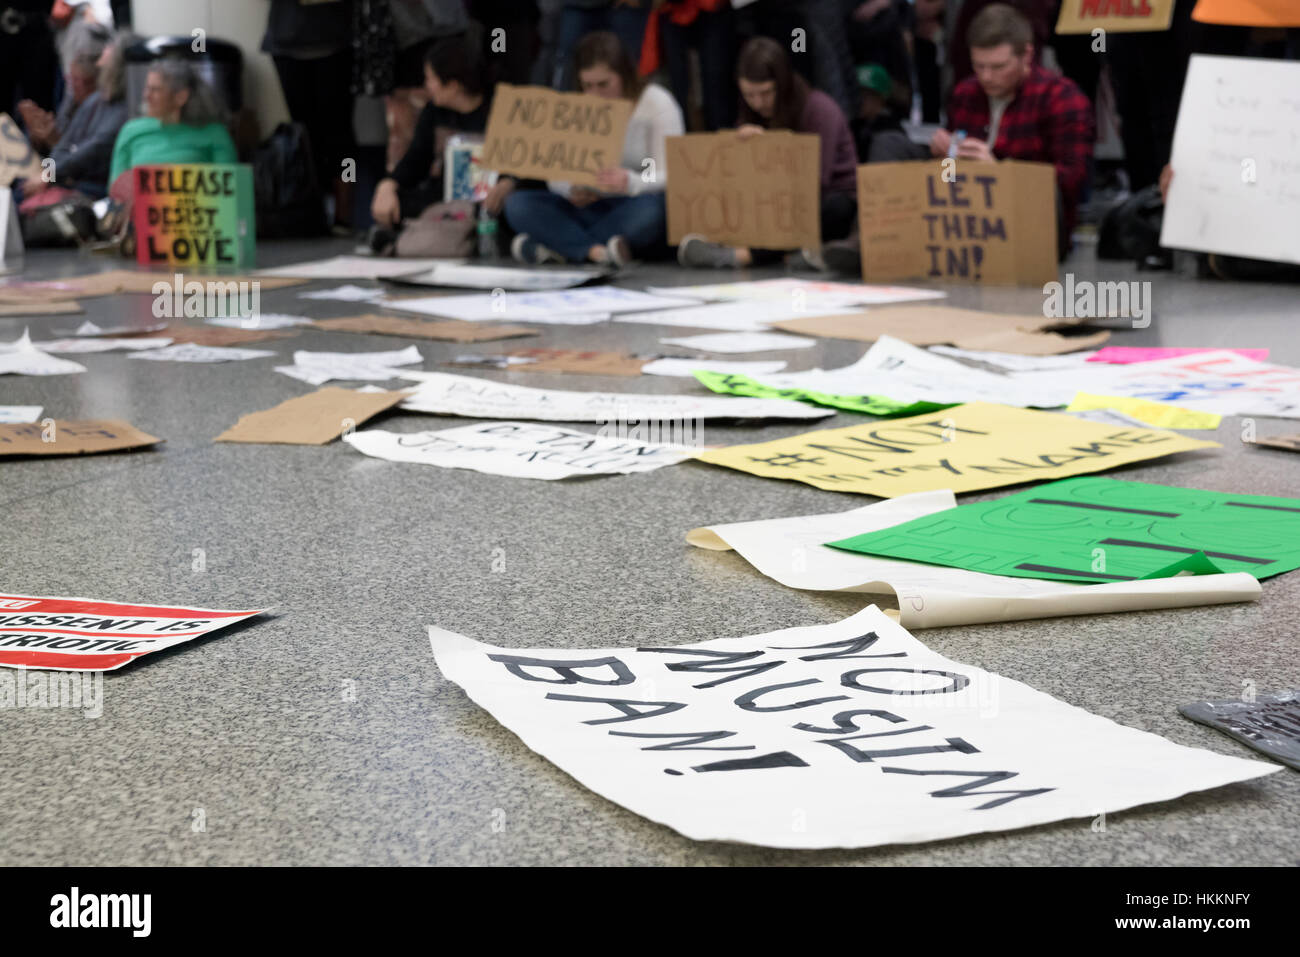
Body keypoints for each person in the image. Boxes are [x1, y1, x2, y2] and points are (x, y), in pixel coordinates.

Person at [677, 35, 858, 270]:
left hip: (825, 199)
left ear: (781, 84)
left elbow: (814, 183)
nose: (758, 102)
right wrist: (744, 150)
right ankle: (794, 256)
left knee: (832, 209)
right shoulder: (751, 112)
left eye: (765, 92)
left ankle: (742, 256)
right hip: (775, 209)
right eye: (750, 95)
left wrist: (773, 153)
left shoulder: (819, 109)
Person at [504, 30, 684, 266]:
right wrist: (570, 188)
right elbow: (555, 174)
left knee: (653, 214)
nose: (595, 94)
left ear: (624, 76)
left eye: (603, 84)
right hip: (586, 205)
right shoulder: (578, 107)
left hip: (631, 202)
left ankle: (559, 246)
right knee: (518, 204)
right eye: (587, 85)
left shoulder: (656, 103)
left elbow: (671, 174)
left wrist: (631, 182)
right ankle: (595, 251)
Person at [931, 3, 1092, 258]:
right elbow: (948, 175)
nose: (987, 76)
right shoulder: (966, 92)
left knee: (1051, 193)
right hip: (968, 215)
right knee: (892, 143)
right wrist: (945, 156)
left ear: (1027, 56)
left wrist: (1000, 174)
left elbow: (1071, 181)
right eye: (979, 66)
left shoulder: (1062, 97)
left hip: (1034, 221)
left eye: (998, 67)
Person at [370, 36, 517, 233]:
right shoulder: (434, 112)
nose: (426, 86)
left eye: (430, 79)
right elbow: (417, 158)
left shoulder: (501, 109)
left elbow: (524, 164)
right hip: (445, 198)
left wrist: (509, 183)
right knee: (399, 204)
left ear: (453, 85)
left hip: (490, 200)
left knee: (518, 205)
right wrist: (388, 185)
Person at [21, 30, 128, 201]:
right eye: (71, 79)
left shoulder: (121, 111)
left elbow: (90, 151)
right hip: (63, 174)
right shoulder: (92, 101)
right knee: (21, 186)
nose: (73, 86)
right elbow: (62, 146)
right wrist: (46, 170)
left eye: (78, 81)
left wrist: (48, 176)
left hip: (92, 184)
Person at [107, 60, 237, 189]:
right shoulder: (131, 131)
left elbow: (230, 190)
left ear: (181, 97)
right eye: (147, 88)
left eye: (156, 90)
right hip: (139, 209)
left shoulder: (215, 134)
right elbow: (116, 190)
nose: (147, 96)